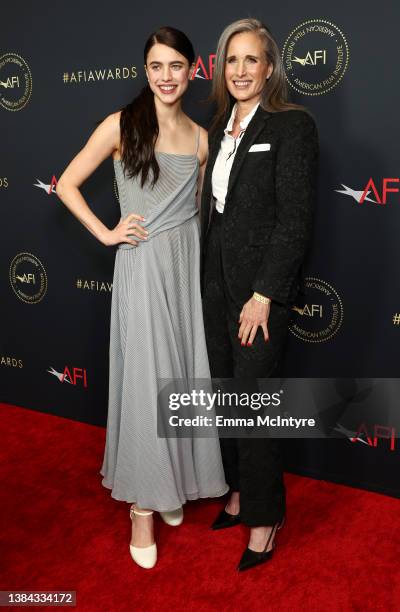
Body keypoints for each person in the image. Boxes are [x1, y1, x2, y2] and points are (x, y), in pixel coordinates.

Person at [56, 26, 228, 570]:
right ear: (146, 71)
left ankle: (171, 481)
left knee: (180, 375)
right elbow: (66, 184)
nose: (166, 76)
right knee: (146, 380)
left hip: (184, 268)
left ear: (192, 69)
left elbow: (202, 211)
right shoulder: (120, 125)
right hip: (142, 263)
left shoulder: (203, 138)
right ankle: (141, 509)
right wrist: (106, 232)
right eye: (157, 66)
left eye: (176, 65)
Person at [200, 18, 319, 571]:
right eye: (232, 60)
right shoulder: (219, 122)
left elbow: (295, 221)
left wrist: (264, 294)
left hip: (258, 296)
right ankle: (240, 493)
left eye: (252, 60)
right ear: (221, 69)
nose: (241, 70)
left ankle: (266, 519)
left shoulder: (293, 125)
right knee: (228, 396)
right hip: (216, 285)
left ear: (269, 67)